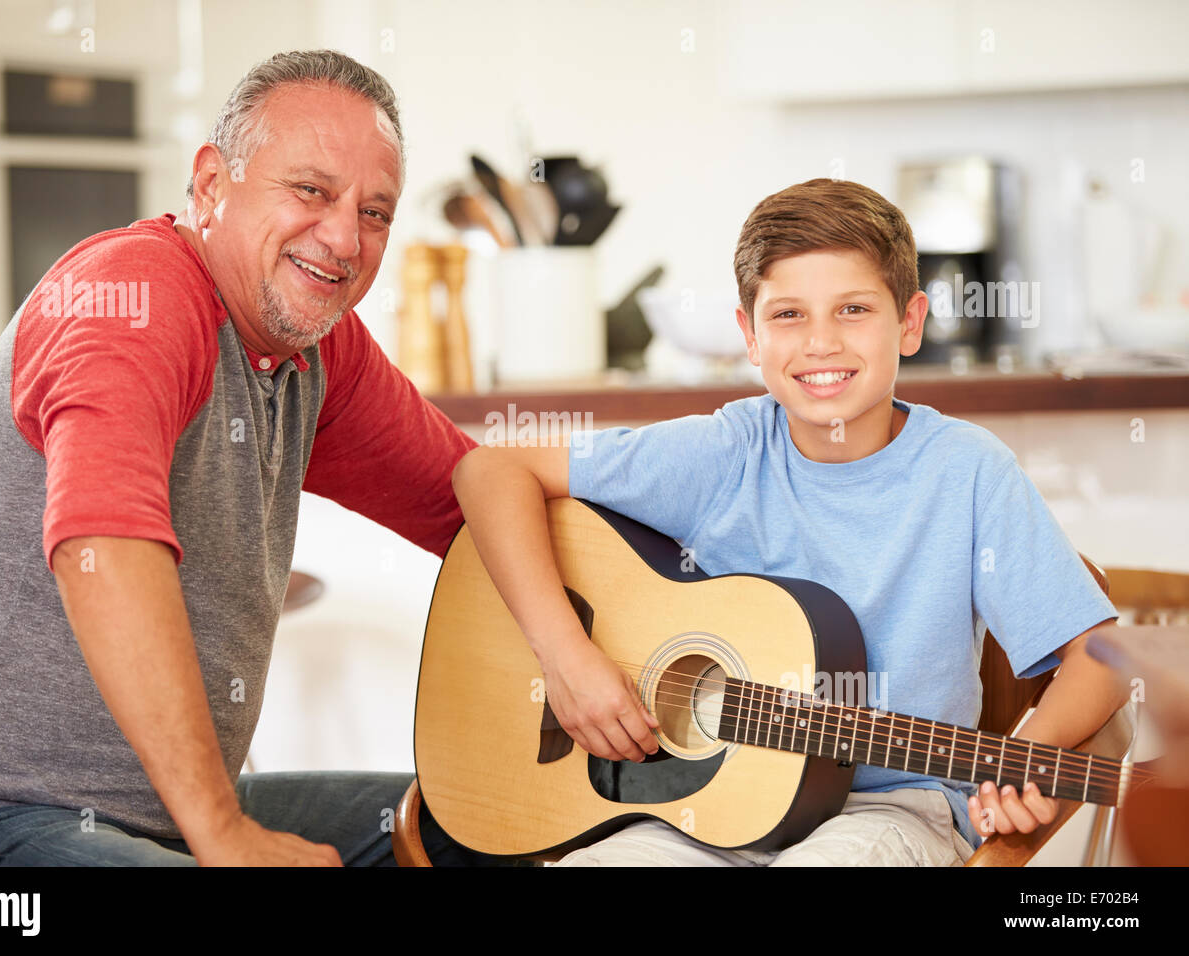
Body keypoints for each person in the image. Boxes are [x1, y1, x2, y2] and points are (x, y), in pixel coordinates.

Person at [0, 50, 491, 866]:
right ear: (211, 186)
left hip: (153, 814)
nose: (346, 236)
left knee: (485, 825)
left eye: (376, 212)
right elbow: (103, 543)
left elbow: (471, 499)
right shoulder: (135, 292)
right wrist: (223, 834)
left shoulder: (317, 352)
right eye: (310, 190)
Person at [450, 177, 1128, 866]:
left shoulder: (968, 473)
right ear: (748, 334)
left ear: (911, 323)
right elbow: (488, 471)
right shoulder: (725, 453)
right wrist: (566, 656)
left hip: (894, 809)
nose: (821, 343)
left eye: (854, 309)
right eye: (788, 315)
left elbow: (1101, 658)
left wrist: (1025, 758)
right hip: (702, 808)